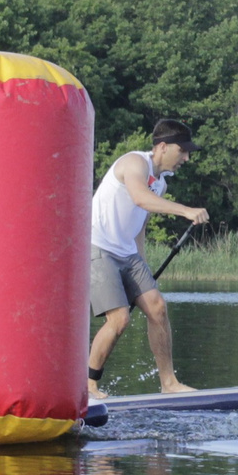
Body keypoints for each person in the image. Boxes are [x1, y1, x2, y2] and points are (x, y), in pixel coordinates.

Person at [87, 119, 210, 395]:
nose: (187, 158)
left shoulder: (161, 184)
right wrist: (186, 210)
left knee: (157, 308)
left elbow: (139, 223)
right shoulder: (134, 163)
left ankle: (169, 384)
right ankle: (89, 384)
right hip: (99, 247)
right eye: (183, 151)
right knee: (119, 320)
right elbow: (140, 198)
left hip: (127, 253)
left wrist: (141, 263)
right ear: (163, 147)